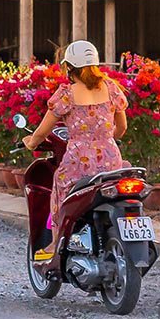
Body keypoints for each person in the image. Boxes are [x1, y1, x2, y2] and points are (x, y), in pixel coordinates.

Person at [22, 41, 128, 264]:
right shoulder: (111, 88)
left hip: (78, 161)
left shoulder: (67, 95)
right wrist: (107, 137)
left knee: (59, 187)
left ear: (69, 67)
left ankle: (55, 242)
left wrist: (31, 143)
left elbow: (42, 131)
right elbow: (122, 128)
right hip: (111, 158)